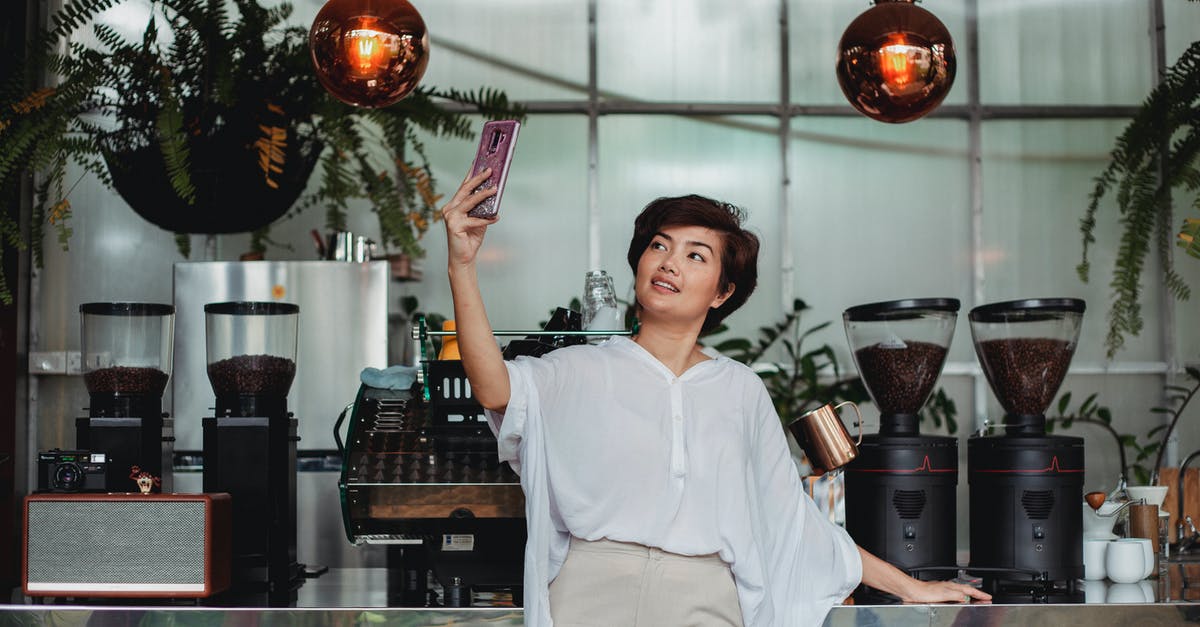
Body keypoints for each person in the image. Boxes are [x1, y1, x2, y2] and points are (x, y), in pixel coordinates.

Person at [442, 167, 990, 627]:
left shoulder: (741, 391)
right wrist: (462, 265)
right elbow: (494, 387)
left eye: (696, 255)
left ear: (723, 291)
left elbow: (792, 519)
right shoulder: (576, 369)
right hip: (589, 597)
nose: (670, 262)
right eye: (659, 246)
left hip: (704, 600)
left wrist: (909, 588)